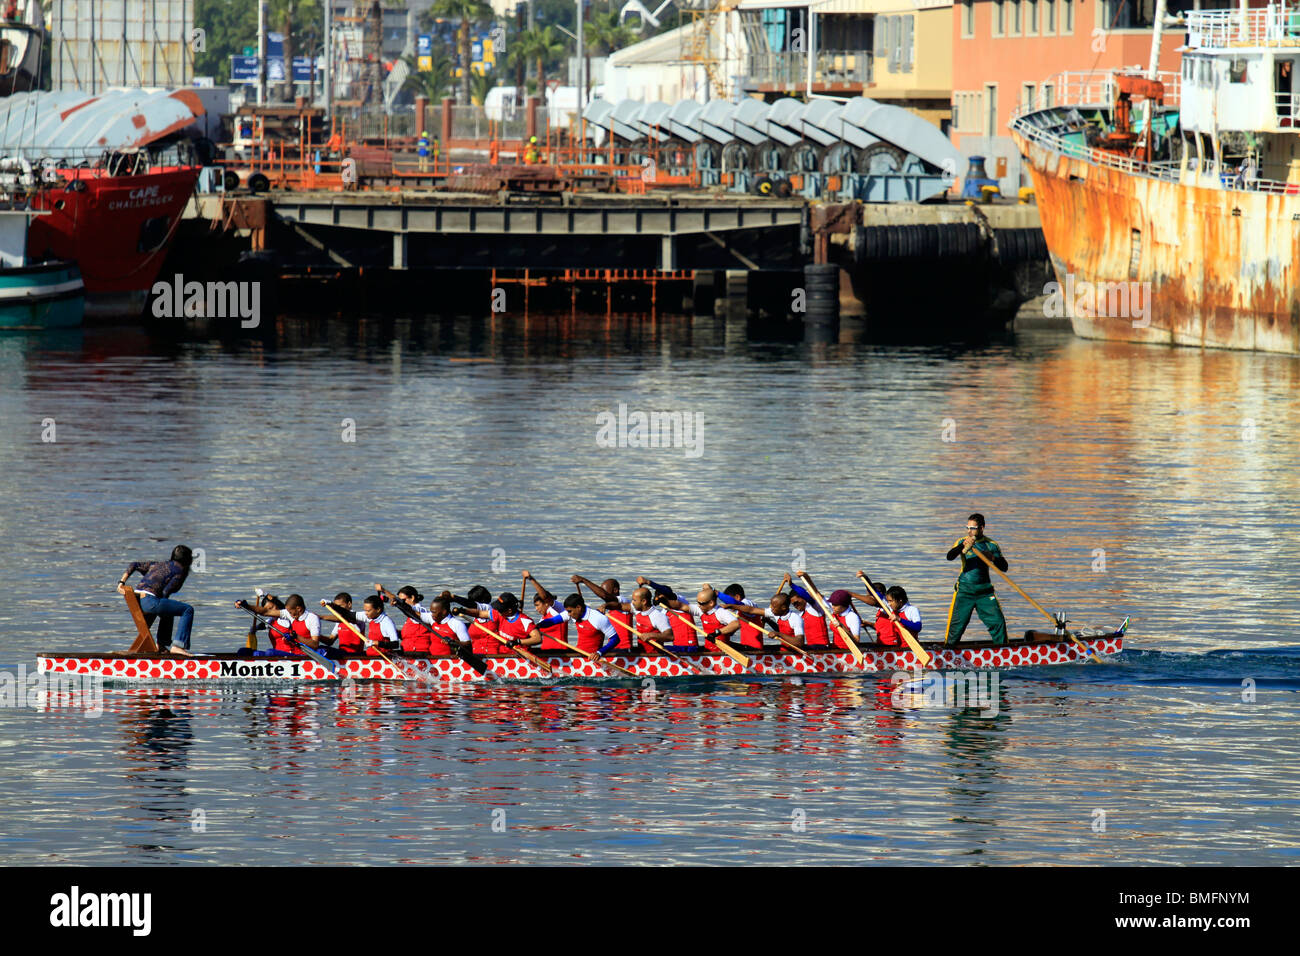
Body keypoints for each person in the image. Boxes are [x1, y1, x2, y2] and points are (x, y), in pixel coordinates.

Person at [945, 513, 1009, 645]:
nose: (969, 531)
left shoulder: (991, 545)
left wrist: (992, 558)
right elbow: (949, 557)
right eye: (967, 527)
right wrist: (961, 546)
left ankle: (1003, 650)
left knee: (998, 623)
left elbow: (1004, 567)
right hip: (964, 591)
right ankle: (948, 650)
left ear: (982, 528)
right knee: (956, 627)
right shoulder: (961, 541)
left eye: (973, 528)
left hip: (985, 592)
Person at [117, 545, 195, 655]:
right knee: (188, 610)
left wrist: (121, 583)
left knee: (168, 611)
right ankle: (178, 646)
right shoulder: (180, 570)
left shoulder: (158, 564)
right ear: (186, 560)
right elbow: (165, 592)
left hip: (139, 600)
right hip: (149, 601)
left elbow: (134, 564)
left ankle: (162, 646)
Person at [247, 593, 322, 655]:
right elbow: (265, 612)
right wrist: (245, 605)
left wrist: (296, 637)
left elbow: (315, 645)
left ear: (298, 609)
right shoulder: (290, 614)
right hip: (290, 654)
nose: (289, 614)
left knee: (270, 652)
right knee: (246, 652)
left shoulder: (312, 618)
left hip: (303, 656)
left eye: (290, 612)